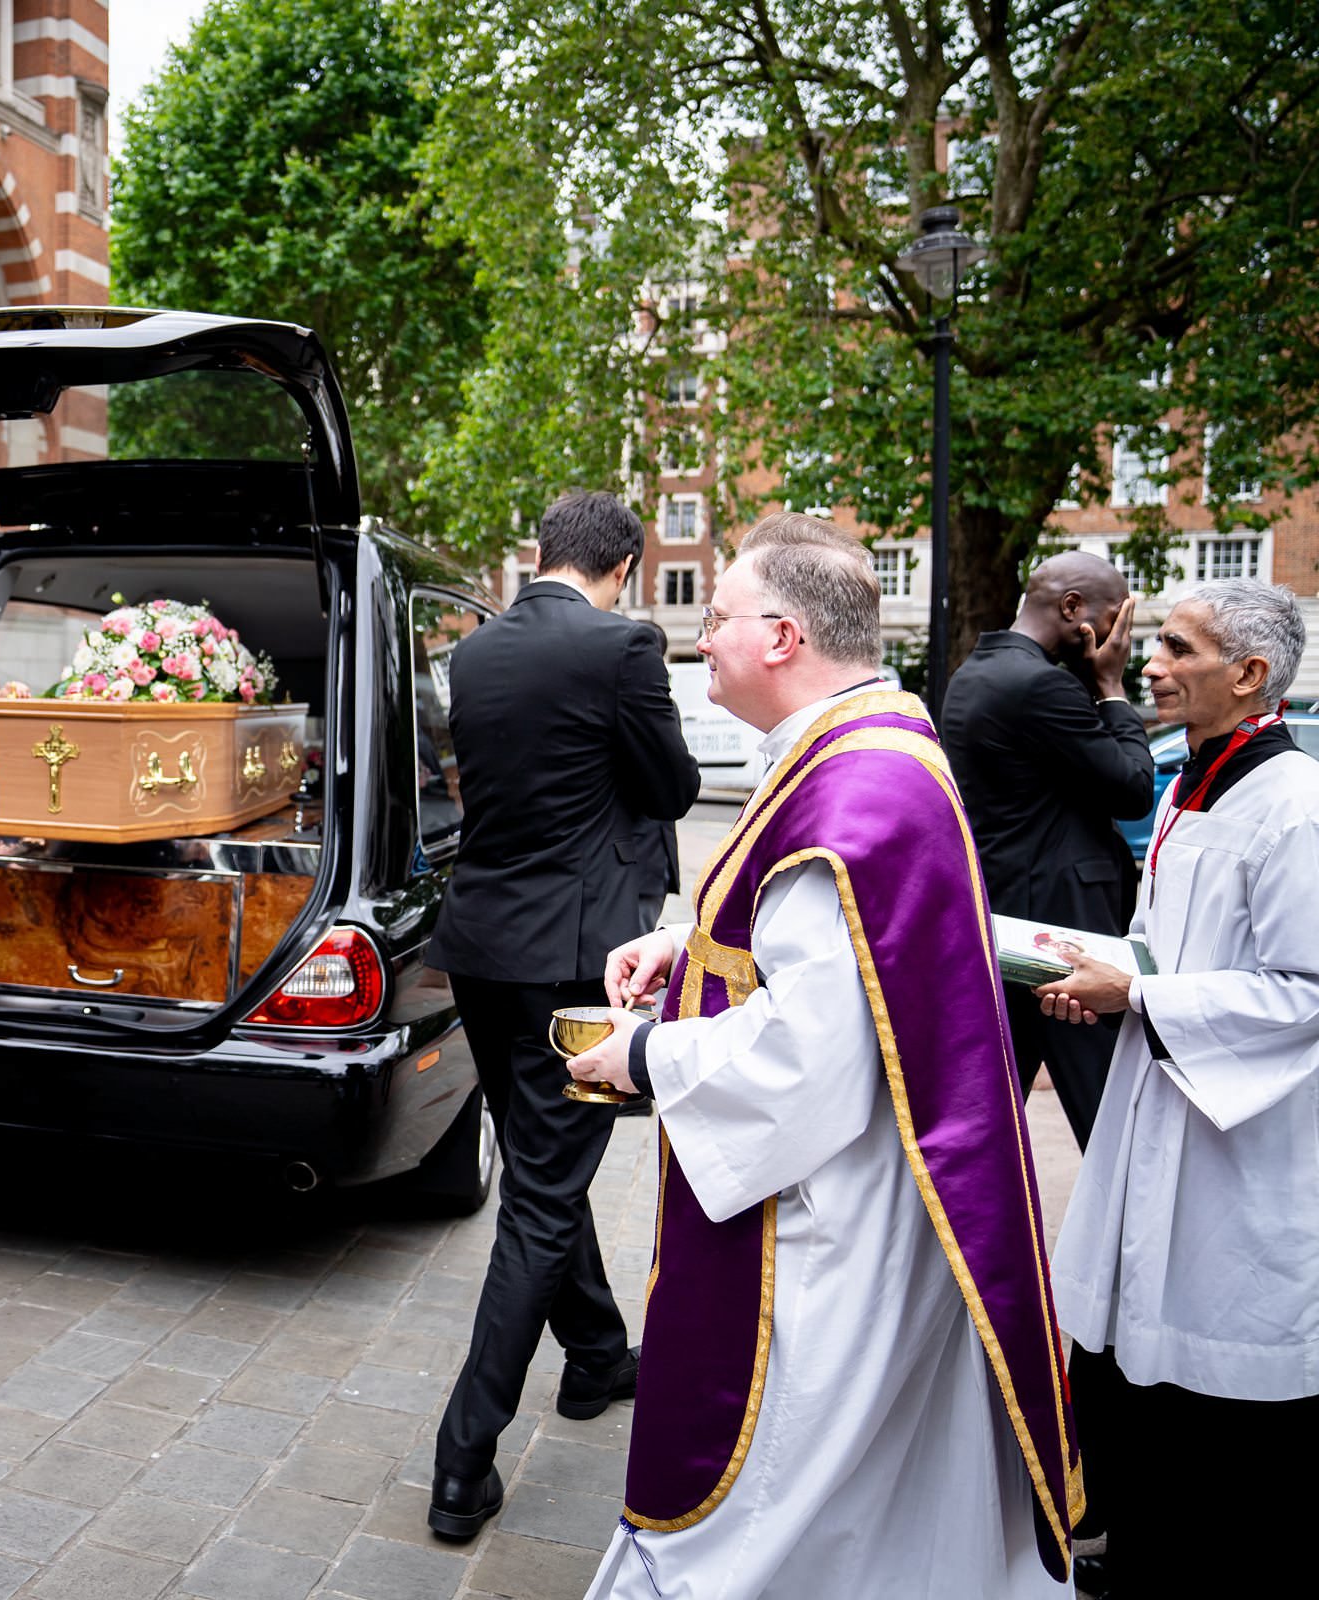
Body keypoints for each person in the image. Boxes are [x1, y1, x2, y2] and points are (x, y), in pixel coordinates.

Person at [564, 513, 1080, 1598]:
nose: (700, 639)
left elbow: (810, 1055)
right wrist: (687, 944)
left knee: (784, 1498)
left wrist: (646, 1056)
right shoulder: (864, 748)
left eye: (715, 619)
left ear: (785, 635)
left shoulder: (855, 790)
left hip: (830, 1216)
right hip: (865, 1180)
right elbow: (824, 952)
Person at [420, 490, 700, 1540]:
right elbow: (673, 786)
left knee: (544, 1162)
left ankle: (594, 1354)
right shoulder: (624, 645)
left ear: (540, 552)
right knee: (542, 1191)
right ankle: (463, 1456)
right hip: (578, 958)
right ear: (623, 563)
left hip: (484, 946)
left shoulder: (477, 651)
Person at [1035, 579, 1317, 1598]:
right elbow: (1175, 950)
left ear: (1248, 676)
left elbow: (1305, 990)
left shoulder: (1293, 806)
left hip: (1239, 1140)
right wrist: (1107, 978)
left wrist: (1146, 997)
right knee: (1129, 1353)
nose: (1150, 661)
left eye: (1177, 647)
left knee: (1214, 1384)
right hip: (1161, 1107)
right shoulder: (1195, 778)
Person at [942, 551, 1154, 1147]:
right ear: (1073, 610)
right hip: (1062, 936)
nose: (1119, 639)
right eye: (1115, 621)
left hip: (1011, 916)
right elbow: (1134, 788)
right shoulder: (1042, 685)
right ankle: (1128, 1235)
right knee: (1110, 1118)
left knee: (989, 1117)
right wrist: (1110, 687)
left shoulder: (975, 673)